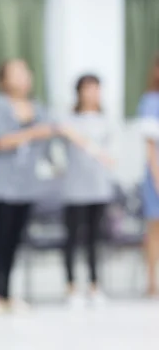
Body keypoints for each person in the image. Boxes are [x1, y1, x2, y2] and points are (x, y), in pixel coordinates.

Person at [0, 59, 55, 316]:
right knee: (0, 240)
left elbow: (48, 141)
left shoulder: (38, 108)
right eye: (17, 72)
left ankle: (10, 294)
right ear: (4, 79)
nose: (24, 77)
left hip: (28, 186)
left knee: (15, 242)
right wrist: (34, 132)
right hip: (3, 187)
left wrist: (56, 164)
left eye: (26, 71)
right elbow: (1, 141)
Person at [59, 75, 114, 307]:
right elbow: (58, 147)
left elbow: (111, 155)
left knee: (94, 239)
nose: (92, 94)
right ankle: (71, 286)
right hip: (74, 189)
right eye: (88, 89)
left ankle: (94, 285)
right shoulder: (68, 120)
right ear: (79, 92)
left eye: (96, 89)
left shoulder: (106, 121)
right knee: (72, 238)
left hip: (98, 188)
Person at [137, 53, 159, 298]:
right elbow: (150, 145)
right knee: (155, 229)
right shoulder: (151, 101)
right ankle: (152, 283)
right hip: (157, 172)